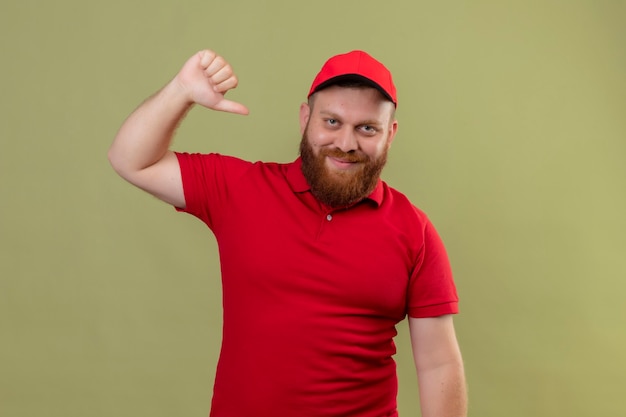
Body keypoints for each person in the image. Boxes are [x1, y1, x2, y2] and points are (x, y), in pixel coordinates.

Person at [109, 48, 467, 417]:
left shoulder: (415, 231)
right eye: (332, 122)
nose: (346, 143)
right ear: (305, 118)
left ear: (389, 134)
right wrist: (180, 91)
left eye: (367, 128)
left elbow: (438, 363)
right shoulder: (241, 189)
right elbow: (131, 160)